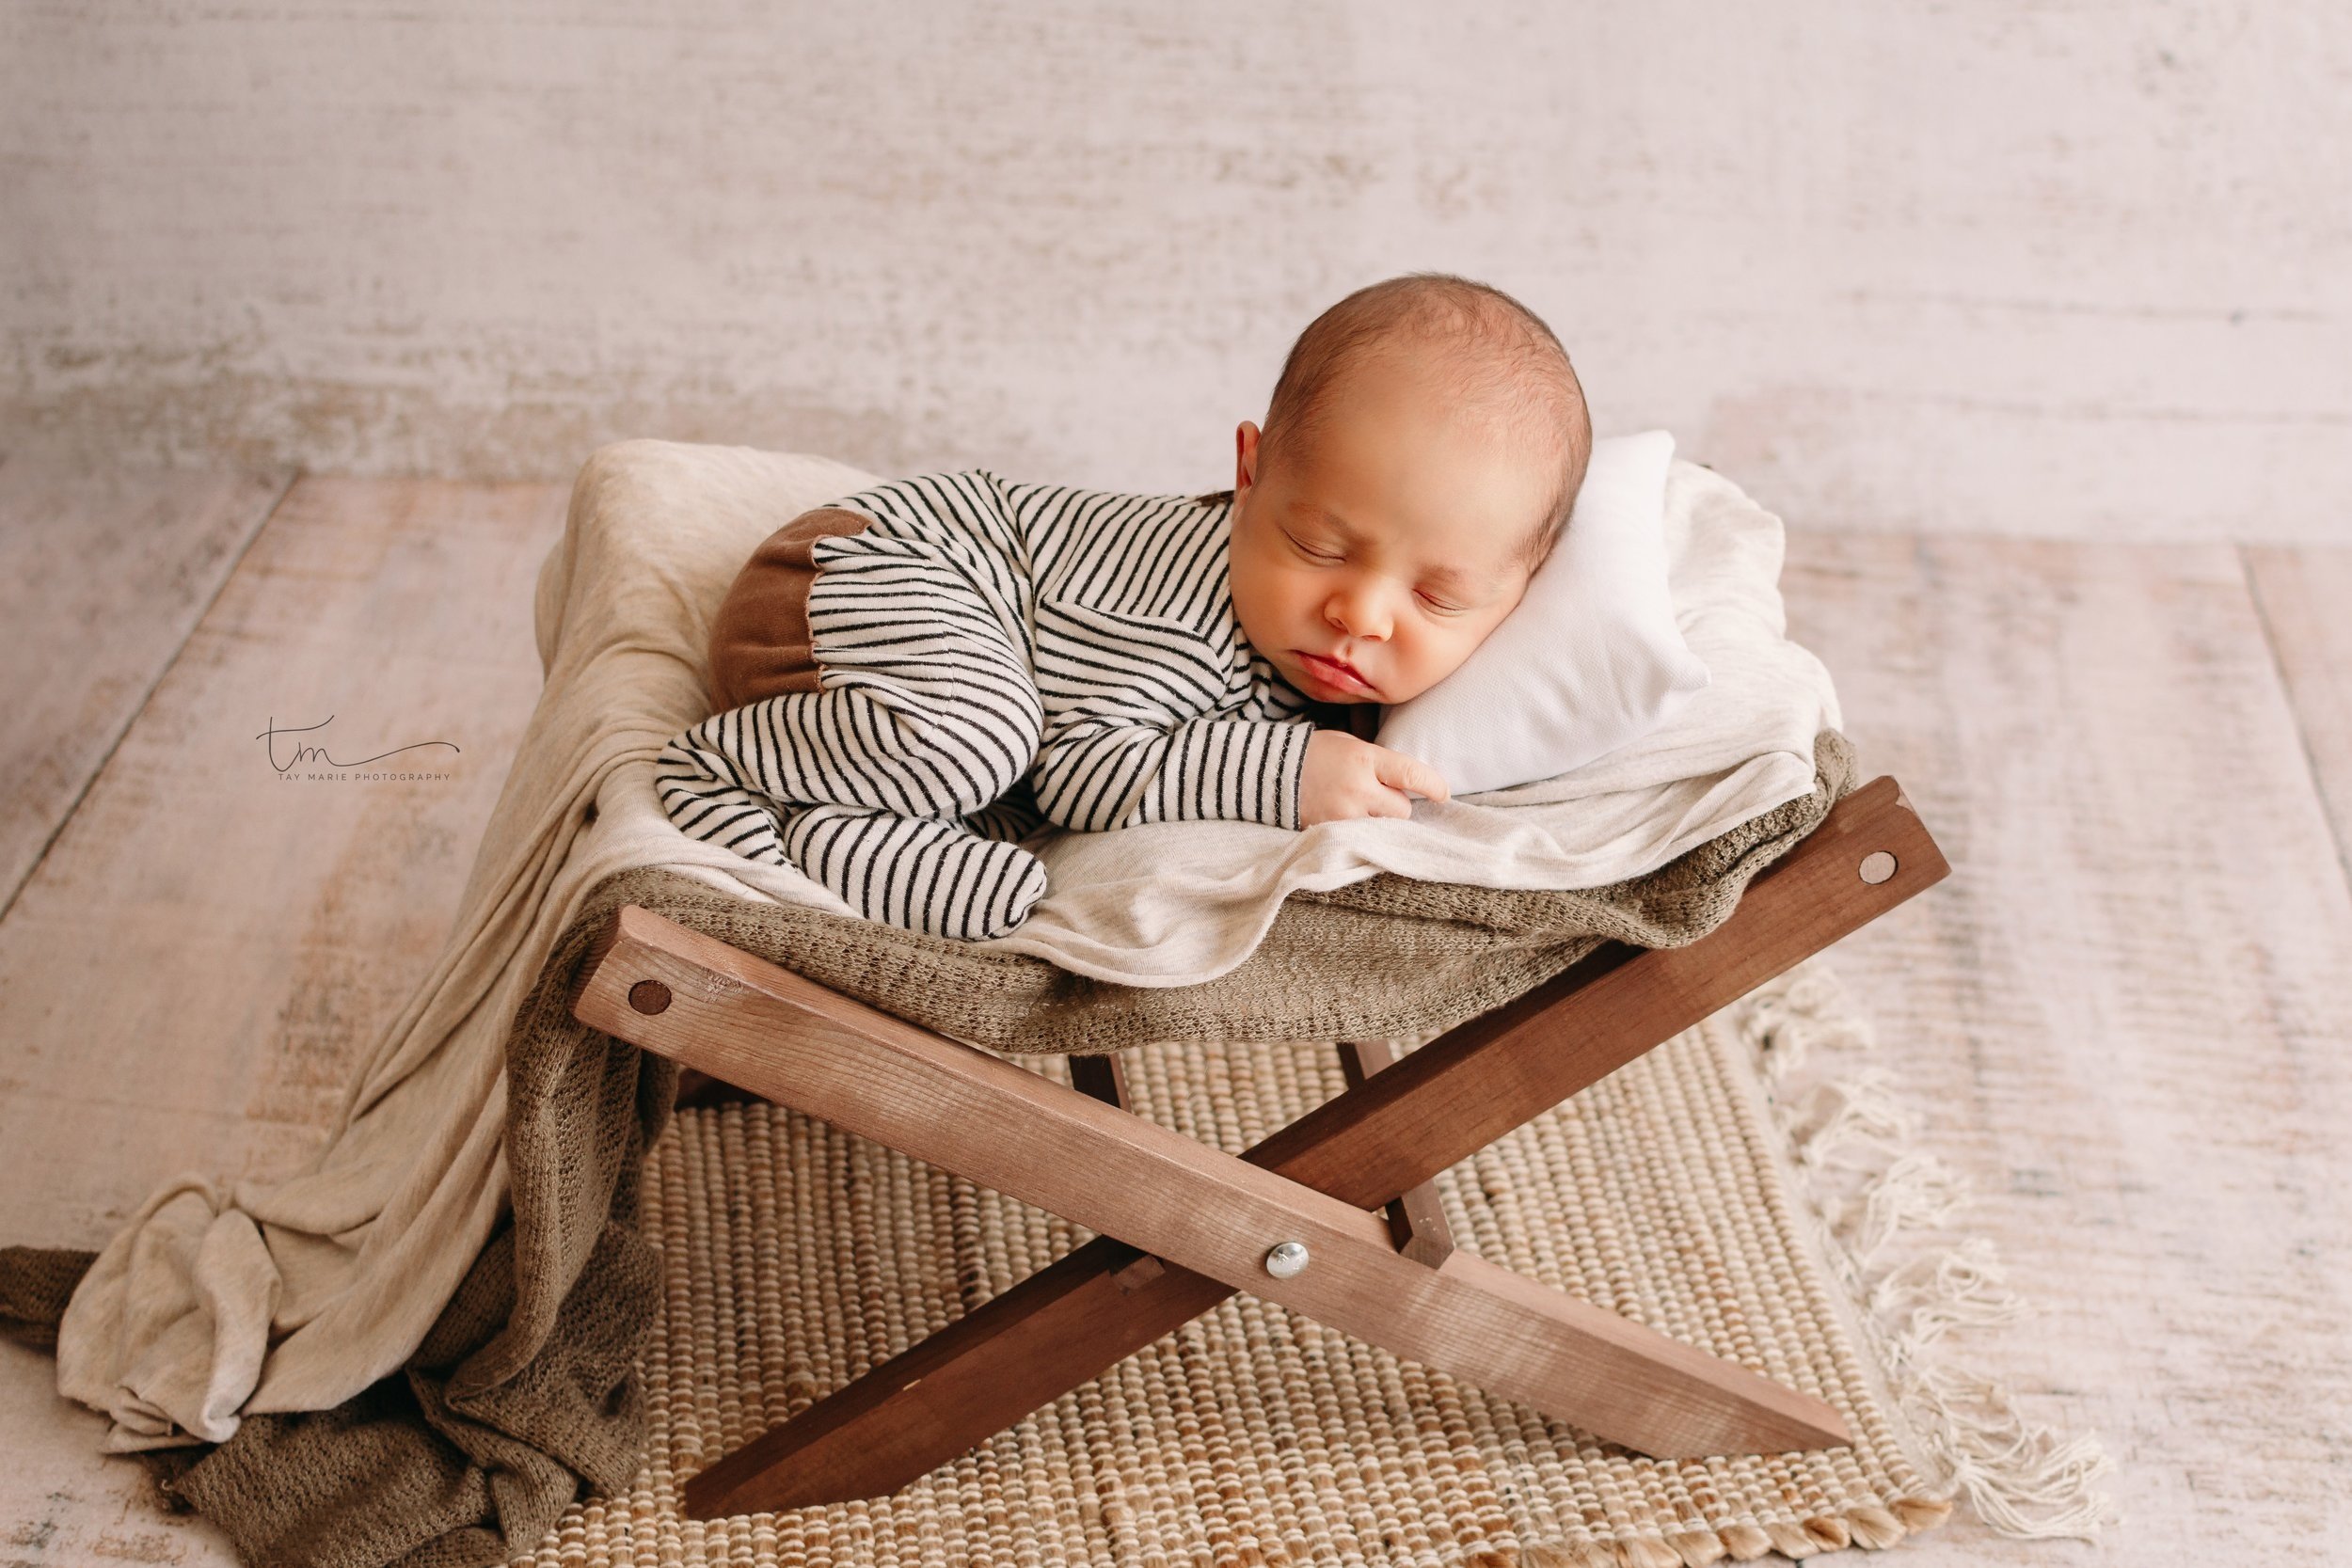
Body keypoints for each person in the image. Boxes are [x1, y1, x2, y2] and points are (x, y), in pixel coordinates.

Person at [657, 271, 1593, 939]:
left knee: (984, 838)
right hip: (860, 571)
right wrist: (1282, 768)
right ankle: (724, 775)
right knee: (975, 742)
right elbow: (1077, 767)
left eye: (1439, 594)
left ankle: (830, 821)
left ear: (1520, 586)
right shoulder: (1183, 611)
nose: (1360, 613)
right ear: (1249, 474)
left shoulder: (1367, 637)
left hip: (924, 657)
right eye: (1316, 546)